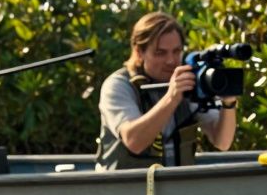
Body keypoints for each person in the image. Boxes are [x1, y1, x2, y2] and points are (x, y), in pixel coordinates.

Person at [96, 12, 238, 171]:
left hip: (175, 188)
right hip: (125, 189)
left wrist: (228, 103)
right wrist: (172, 97)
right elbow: (133, 141)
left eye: (176, 51)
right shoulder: (119, 85)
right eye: (160, 53)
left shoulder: (188, 81)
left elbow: (222, 142)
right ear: (139, 52)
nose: (171, 60)